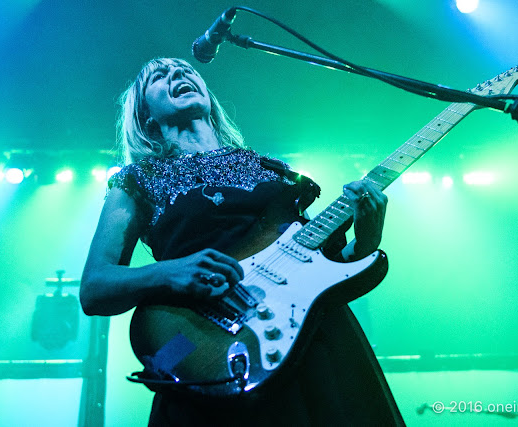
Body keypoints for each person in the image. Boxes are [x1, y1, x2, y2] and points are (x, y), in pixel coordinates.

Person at [80, 57, 404, 426]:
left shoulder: (275, 170)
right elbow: (94, 288)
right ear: (145, 114)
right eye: (159, 75)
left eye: (186, 70)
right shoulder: (138, 178)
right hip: (211, 347)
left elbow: (325, 270)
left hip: (312, 340)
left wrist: (366, 240)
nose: (179, 74)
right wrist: (170, 272)